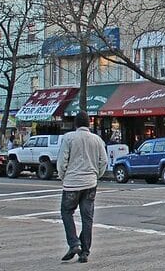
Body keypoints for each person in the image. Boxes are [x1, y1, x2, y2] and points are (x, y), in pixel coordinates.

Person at [57, 111, 108, 263]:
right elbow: (103, 161)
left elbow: (61, 162)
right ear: (89, 123)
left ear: (76, 124)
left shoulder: (69, 138)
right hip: (90, 183)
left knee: (66, 212)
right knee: (87, 218)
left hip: (72, 183)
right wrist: (96, 175)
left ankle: (74, 243)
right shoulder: (97, 140)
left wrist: (63, 176)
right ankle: (84, 251)